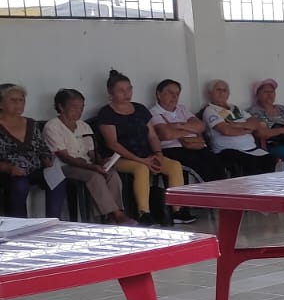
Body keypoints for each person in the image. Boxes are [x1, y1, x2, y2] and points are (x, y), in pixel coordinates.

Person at [97, 70, 192, 224]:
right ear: (111, 93)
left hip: (147, 155)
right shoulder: (106, 113)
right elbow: (112, 143)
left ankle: (178, 210)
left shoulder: (140, 109)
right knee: (141, 169)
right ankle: (144, 213)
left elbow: (152, 136)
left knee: (174, 166)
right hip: (120, 158)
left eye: (129, 89)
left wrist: (158, 153)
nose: (126, 94)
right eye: (121, 90)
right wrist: (141, 160)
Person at [44, 88, 132, 225]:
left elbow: (91, 153)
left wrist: (103, 162)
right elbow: (65, 157)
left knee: (111, 174)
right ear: (61, 107)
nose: (79, 111)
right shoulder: (52, 126)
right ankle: (116, 215)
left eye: (81, 108)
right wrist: (92, 167)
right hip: (63, 167)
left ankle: (113, 215)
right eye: (74, 107)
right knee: (95, 176)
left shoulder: (84, 126)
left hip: (85, 164)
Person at [0, 84, 66, 219]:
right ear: (0, 104)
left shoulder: (31, 123)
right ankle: (19, 225)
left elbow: (42, 147)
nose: (18, 104)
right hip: (9, 172)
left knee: (57, 179)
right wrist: (8, 168)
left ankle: (53, 221)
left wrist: (47, 158)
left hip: (34, 168)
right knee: (20, 185)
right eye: (13, 100)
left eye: (21, 100)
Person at [149, 79, 228, 181]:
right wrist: (191, 129)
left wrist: (178, 126)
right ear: (159, 94)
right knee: (201, 168)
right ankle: (210, 190)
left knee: (217, 166)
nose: (175, 97)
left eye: (177, 94)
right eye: (170, 93)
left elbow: (201, 126)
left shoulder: (182, 109)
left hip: (196, 145)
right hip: (173, 149)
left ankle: (223, 190)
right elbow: (166, 134)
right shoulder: (153, 112)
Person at [200, 81, 279, 176]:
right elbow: (226, 130)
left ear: (228, 94)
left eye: (224, 90)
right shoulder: (210, 110)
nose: (221, 93)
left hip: (251, 148)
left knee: (270, 159)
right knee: (251, 162)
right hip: (227, 150)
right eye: (218, 90)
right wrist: (248, 129)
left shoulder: (234, 108)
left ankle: (264, 185)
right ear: (210, 93)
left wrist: (237, 125)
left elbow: (255, 123)